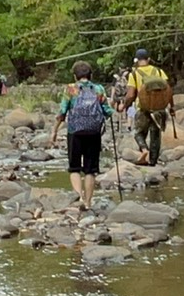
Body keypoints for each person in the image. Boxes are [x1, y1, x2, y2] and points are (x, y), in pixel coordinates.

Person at [49, 60, 113, 211]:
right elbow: (107, 111)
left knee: (74, 168)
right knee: (90, 170)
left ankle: (79, 198)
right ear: (90, 75)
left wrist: (54, 131)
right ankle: (89, 202)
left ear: (75, 76)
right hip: (94, 132)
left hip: (75, 131)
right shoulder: (98, 89)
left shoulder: (71, 89)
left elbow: (62, 112)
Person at [122, 48, 173, 166]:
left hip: (143, 108)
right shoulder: (159, 72)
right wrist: (172, 107)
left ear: (137, 60)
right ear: (148, 59)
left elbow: (130, 95)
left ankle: (144, 150)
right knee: (155, 136)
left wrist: (125, 106)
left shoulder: (134, 74)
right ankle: (153, 163)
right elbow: (168, 91)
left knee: (138, 132)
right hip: (159, 109)